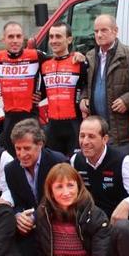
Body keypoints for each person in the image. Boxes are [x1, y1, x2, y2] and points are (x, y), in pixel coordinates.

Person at [4, 118, 68, 256]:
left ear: (40, 145)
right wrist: (18, 216)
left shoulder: (58, 162)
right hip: (31, 229)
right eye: (18, 149)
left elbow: (63, 202)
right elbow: (18, 202)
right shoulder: (11, 169)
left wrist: (34, 217)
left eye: (27, 148)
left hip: (57, 223)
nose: (21, 154)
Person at [80, 14, 129, 156]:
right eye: (96, 31)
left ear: (115, 31)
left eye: (104, 30)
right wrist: (84, 97)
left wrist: (128, 100)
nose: (99, 35)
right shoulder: (90, 56)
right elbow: (85, 83)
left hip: (121, 131)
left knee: (121, 170)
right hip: (97, 130)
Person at [70, 116, 129, 221]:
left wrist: (126, 204)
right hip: (91, 219)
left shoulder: (124, 161)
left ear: (105, 139)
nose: (85, 142)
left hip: (116, 218)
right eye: (82, 136)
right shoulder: (75, 160)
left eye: (91, 136)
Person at [0, 21, 46, 156]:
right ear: (3, 39)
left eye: (18, 36)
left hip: (30, 117)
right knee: (10, 158)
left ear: (23, 38)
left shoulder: (35, 55)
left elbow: (57, 64)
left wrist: (43, 94)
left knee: (33, 156)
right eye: (11, 37)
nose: (15, 41)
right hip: (9, 118)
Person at [40, 22, 87, 156]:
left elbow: (87, 87)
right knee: (55, 169)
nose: (54, 41)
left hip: (74, 125)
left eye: (58, 37)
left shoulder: (79, 62)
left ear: (69, 39)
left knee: (76, 168)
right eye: (51, 37)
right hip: (53, 127)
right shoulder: (45, 65)